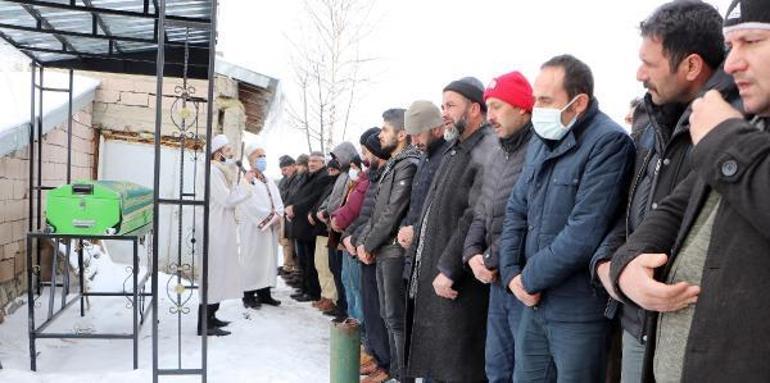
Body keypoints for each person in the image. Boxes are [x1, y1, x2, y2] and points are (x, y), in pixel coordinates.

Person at [609, 1, 770, 381]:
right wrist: (626, 265)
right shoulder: (747, 123)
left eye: (750, 41)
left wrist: (724, 140)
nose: (731, 64)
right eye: (731, 46)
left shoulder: (728, 129)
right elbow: (672, 207)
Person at [498, 55, 635, 382]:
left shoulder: (608, 143)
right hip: (532, 304)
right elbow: (516, 209)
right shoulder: (540, 144)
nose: (537, 108)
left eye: (545, 100)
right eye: (535, 99)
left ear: (579, 102)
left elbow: (584, 233)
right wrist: (511, 273)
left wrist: (528, 279)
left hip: (577, 312)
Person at [406, 76, 498, 382]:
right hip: (437, 274)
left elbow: (475, 215)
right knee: (438, 363)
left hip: (460, 281)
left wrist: (449, 267)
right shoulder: (456, 148)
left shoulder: (487, 148)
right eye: (443, 104)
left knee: (458, 367)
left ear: (474, 109)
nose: (443, 112)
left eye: (450, 105)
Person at [462, 70, 534, 382]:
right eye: (488, 107)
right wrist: (471, 253)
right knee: (496, 366)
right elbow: (481, 209)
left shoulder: (536, 152)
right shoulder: (498, 153)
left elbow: (527, 217)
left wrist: (489, 259)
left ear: (522, 108)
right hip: (494, 279)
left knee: (523, 369)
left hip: (520, 278)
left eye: (498, 107)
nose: (490, 116)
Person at [355, 108, 419, 381]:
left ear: (402, 133)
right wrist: (364, 242)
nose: (380, 135)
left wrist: (368, 243)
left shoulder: (408, 163)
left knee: (395, 318)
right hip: (383, 249)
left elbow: (393, 211)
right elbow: (376, 211)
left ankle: (402, 374)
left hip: (393, 250)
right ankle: (394, 370)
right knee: (387, 314)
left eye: (385, 130)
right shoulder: (394, 164)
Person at [342, 127, 393, 383]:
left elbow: (383, 216)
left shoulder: (387, 173)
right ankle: (376, 355)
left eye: (366, 151)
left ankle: (384, 361)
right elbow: (364, 215)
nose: (364, 157)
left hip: (377, 250)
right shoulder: (374, 175)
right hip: (365, 247)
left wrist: (363, 241)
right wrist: (349, 236)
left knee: (379, 311)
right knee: (371, 309)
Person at [197, 134, 252, 337]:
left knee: (219, 273)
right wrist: (245, 183)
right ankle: (204, 322)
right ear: (217, 153)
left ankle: (211, 316)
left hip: (221, 226)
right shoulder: (212, 171)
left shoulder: (220, 171)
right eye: (227, 150)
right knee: (213, 273)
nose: (230, 154)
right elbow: (227, 199)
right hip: (215, 228)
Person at [239, 141, 285, 309]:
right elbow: (248, 203)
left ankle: (264, 293)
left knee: (268, 260)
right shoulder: (246, 180)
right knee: (252, 259)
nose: (263, 159)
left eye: (264, 156)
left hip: (269, 228)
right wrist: (268, 217)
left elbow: (278, 201)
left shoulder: (269, 180)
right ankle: (248, 294)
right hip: (254, 228)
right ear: (251, 160)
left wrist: (278, 214)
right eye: (259, 156)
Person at [397, 100, 447, 252]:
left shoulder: (448, 158)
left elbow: (442, 209)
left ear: (437, 130)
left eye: (418, 134)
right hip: (414, 244)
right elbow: (415, 204)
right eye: (411, 136)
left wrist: (416, 230)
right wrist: (404, 227)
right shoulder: (424, 158)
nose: (414, 142)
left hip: (434, 248)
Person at [286, 151, 333, 303]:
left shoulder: (324, 177)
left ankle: (312, 291)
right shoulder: (308, 176)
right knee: (304, 260)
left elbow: (313, 199)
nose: (311, 163)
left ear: (323, 163)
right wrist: (289, 206)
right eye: (310, 161)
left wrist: (295, 208)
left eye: (316, 161)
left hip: (310, 225)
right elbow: (297, 194)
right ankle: (305, 287)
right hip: (300, 224)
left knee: (311, 261)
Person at [277, 155, 299, 277]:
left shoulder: (297, 178)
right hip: (283, 212)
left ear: (293, 166)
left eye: (285, 169)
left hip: (292, 213)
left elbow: (292, 195)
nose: (283, 172)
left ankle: (291, 266)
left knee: (289, 242)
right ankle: (288, 264)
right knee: (284, 240)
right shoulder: (284, 180)